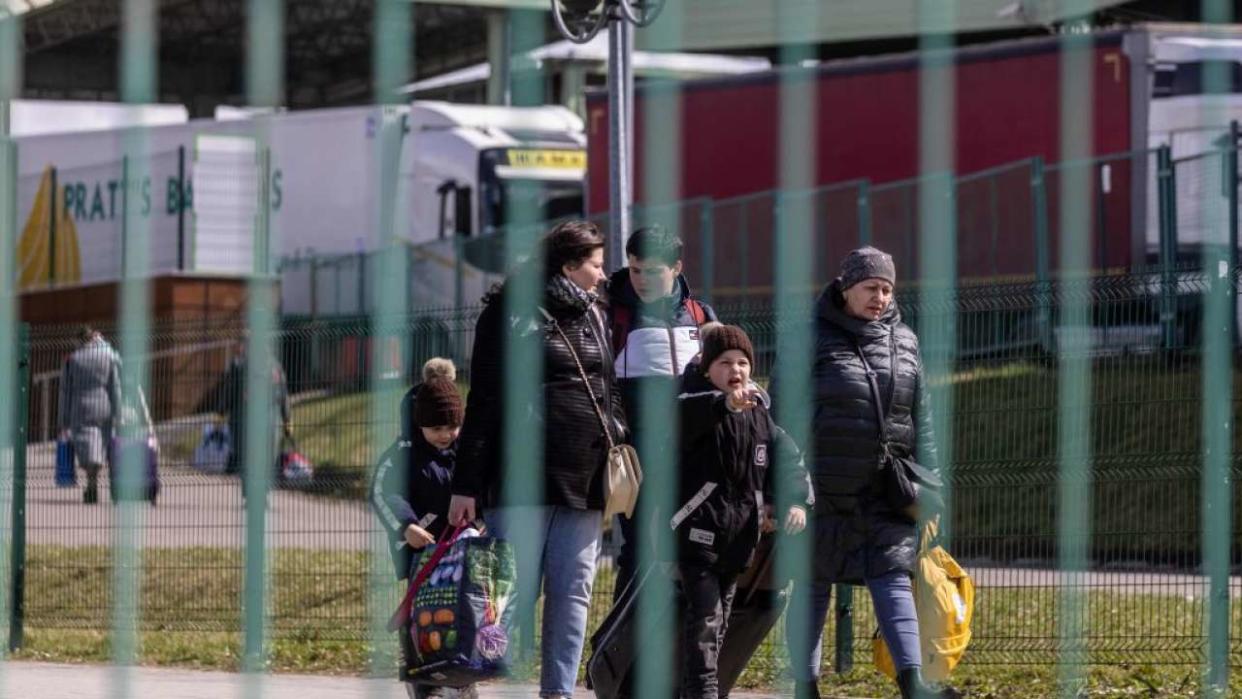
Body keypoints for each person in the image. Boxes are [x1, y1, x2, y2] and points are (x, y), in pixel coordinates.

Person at [447, 220, 626, 699]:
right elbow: (483, 401)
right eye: (595, 264)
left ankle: (558, 691)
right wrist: (466, 484)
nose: (603, 274)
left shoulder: (594, 313)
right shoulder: (508, 312)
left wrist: (620, 437)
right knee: (507, 596)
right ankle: (466, 674)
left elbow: (608, 391)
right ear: (568, 266)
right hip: (521, 476)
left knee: (574, 593)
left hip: (584, 478)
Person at [780, 247, 961, 699]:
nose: (880, 297)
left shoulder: (905, 340)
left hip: (887, 487)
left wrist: (930, 488)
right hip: (821, 487)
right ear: (846, 288)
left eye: (886, 289)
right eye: (870, 288)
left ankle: (912, 682)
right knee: (813, 582)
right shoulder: (808, 338)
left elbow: (923, 419)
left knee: (893, 577)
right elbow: (780, 418)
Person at [675, 325, 812, 699]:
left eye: (742, 362)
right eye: (724, 362)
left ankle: (699, 688)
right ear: (707, 369)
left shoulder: (760, 416)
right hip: (698, 534)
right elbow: (695, 415)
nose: (735, 369)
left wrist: (794, 501)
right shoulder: (693, 404)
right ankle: (703, 691)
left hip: (738, 540)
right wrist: (726, 404)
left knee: (719, 622)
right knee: (706, 617)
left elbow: (788, 461)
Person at [606, 225, 717, 602]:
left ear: (677, 268)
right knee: (639, 551)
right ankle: (617, 647)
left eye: (652, 271)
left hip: (691, 458)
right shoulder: (610, 314)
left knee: (690, 550)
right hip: (635, 461)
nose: (641, 279)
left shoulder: (700, 315)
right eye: (635, 269)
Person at [371, 358, 476, 699]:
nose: (445, 436)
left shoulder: (465, 452)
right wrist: (406, 527)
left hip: (462, 549)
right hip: (422, 552)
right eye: (436, 430)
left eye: (452, 428)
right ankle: (425, 682)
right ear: (419, 426)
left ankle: (462, 678)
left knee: (462, 613)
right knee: (422, 615)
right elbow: (384, 492)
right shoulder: (403, 454)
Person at [58, 326, 122, 504]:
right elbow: (114, 385)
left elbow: (65, 391)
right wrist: (118, 410)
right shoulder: (106, 355)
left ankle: (91, 482)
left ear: (79, 340)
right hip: (104, 405)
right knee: (104, 443)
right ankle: (111, 482)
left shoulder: (73, 360)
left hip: (81, 407)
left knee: (86, 445)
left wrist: (63, 419)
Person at [219, 336, 291, 482]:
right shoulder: (276, 368)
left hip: (248, 419)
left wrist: (220, 412)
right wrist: (287, 419)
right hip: (270, 420)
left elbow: (231, 390)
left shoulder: (245, 366)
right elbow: (284, 396)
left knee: (248, 453)